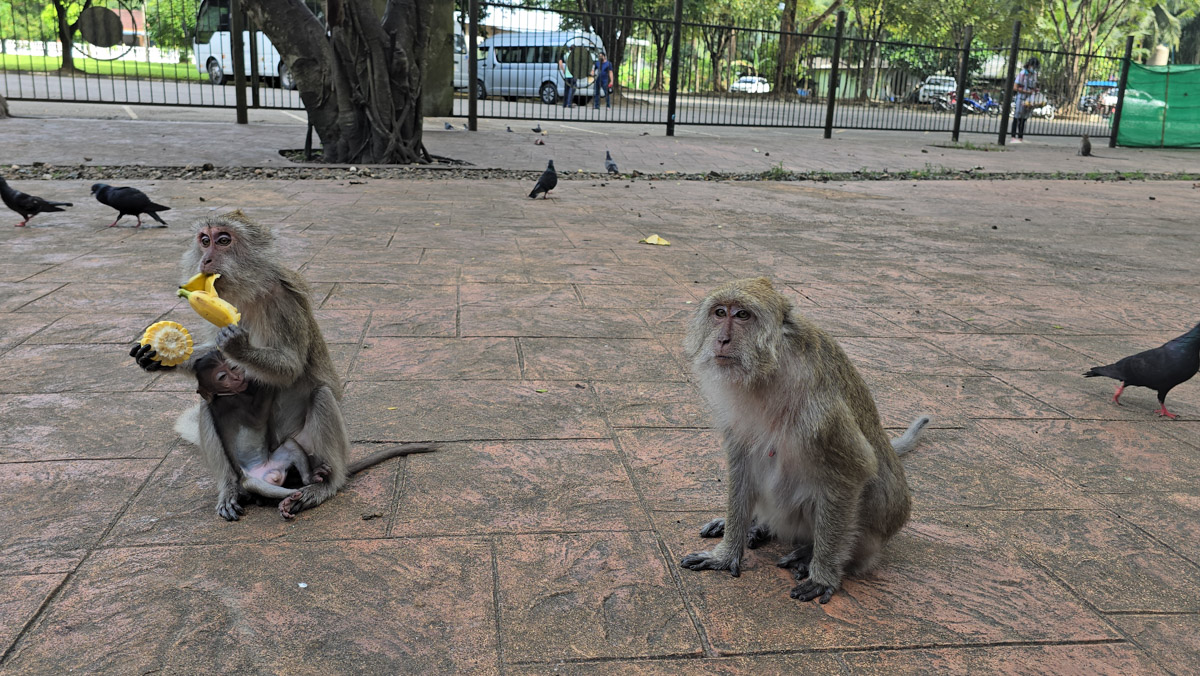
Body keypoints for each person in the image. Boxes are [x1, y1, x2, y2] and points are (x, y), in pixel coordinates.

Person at [1010, 57, 1039, 143]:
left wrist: (1035, 90)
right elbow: (1015, 87)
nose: (1033, 68)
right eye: (1033, 66)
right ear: (1029, 65)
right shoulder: (1022, 74)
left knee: (1024, 118)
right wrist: (1026, 91)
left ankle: (1020, 137)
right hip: (1021, 97)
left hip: (1029, 98)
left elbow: (1035, 85)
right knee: (1017, 117)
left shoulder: (1035, 75)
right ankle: (1013, 136)